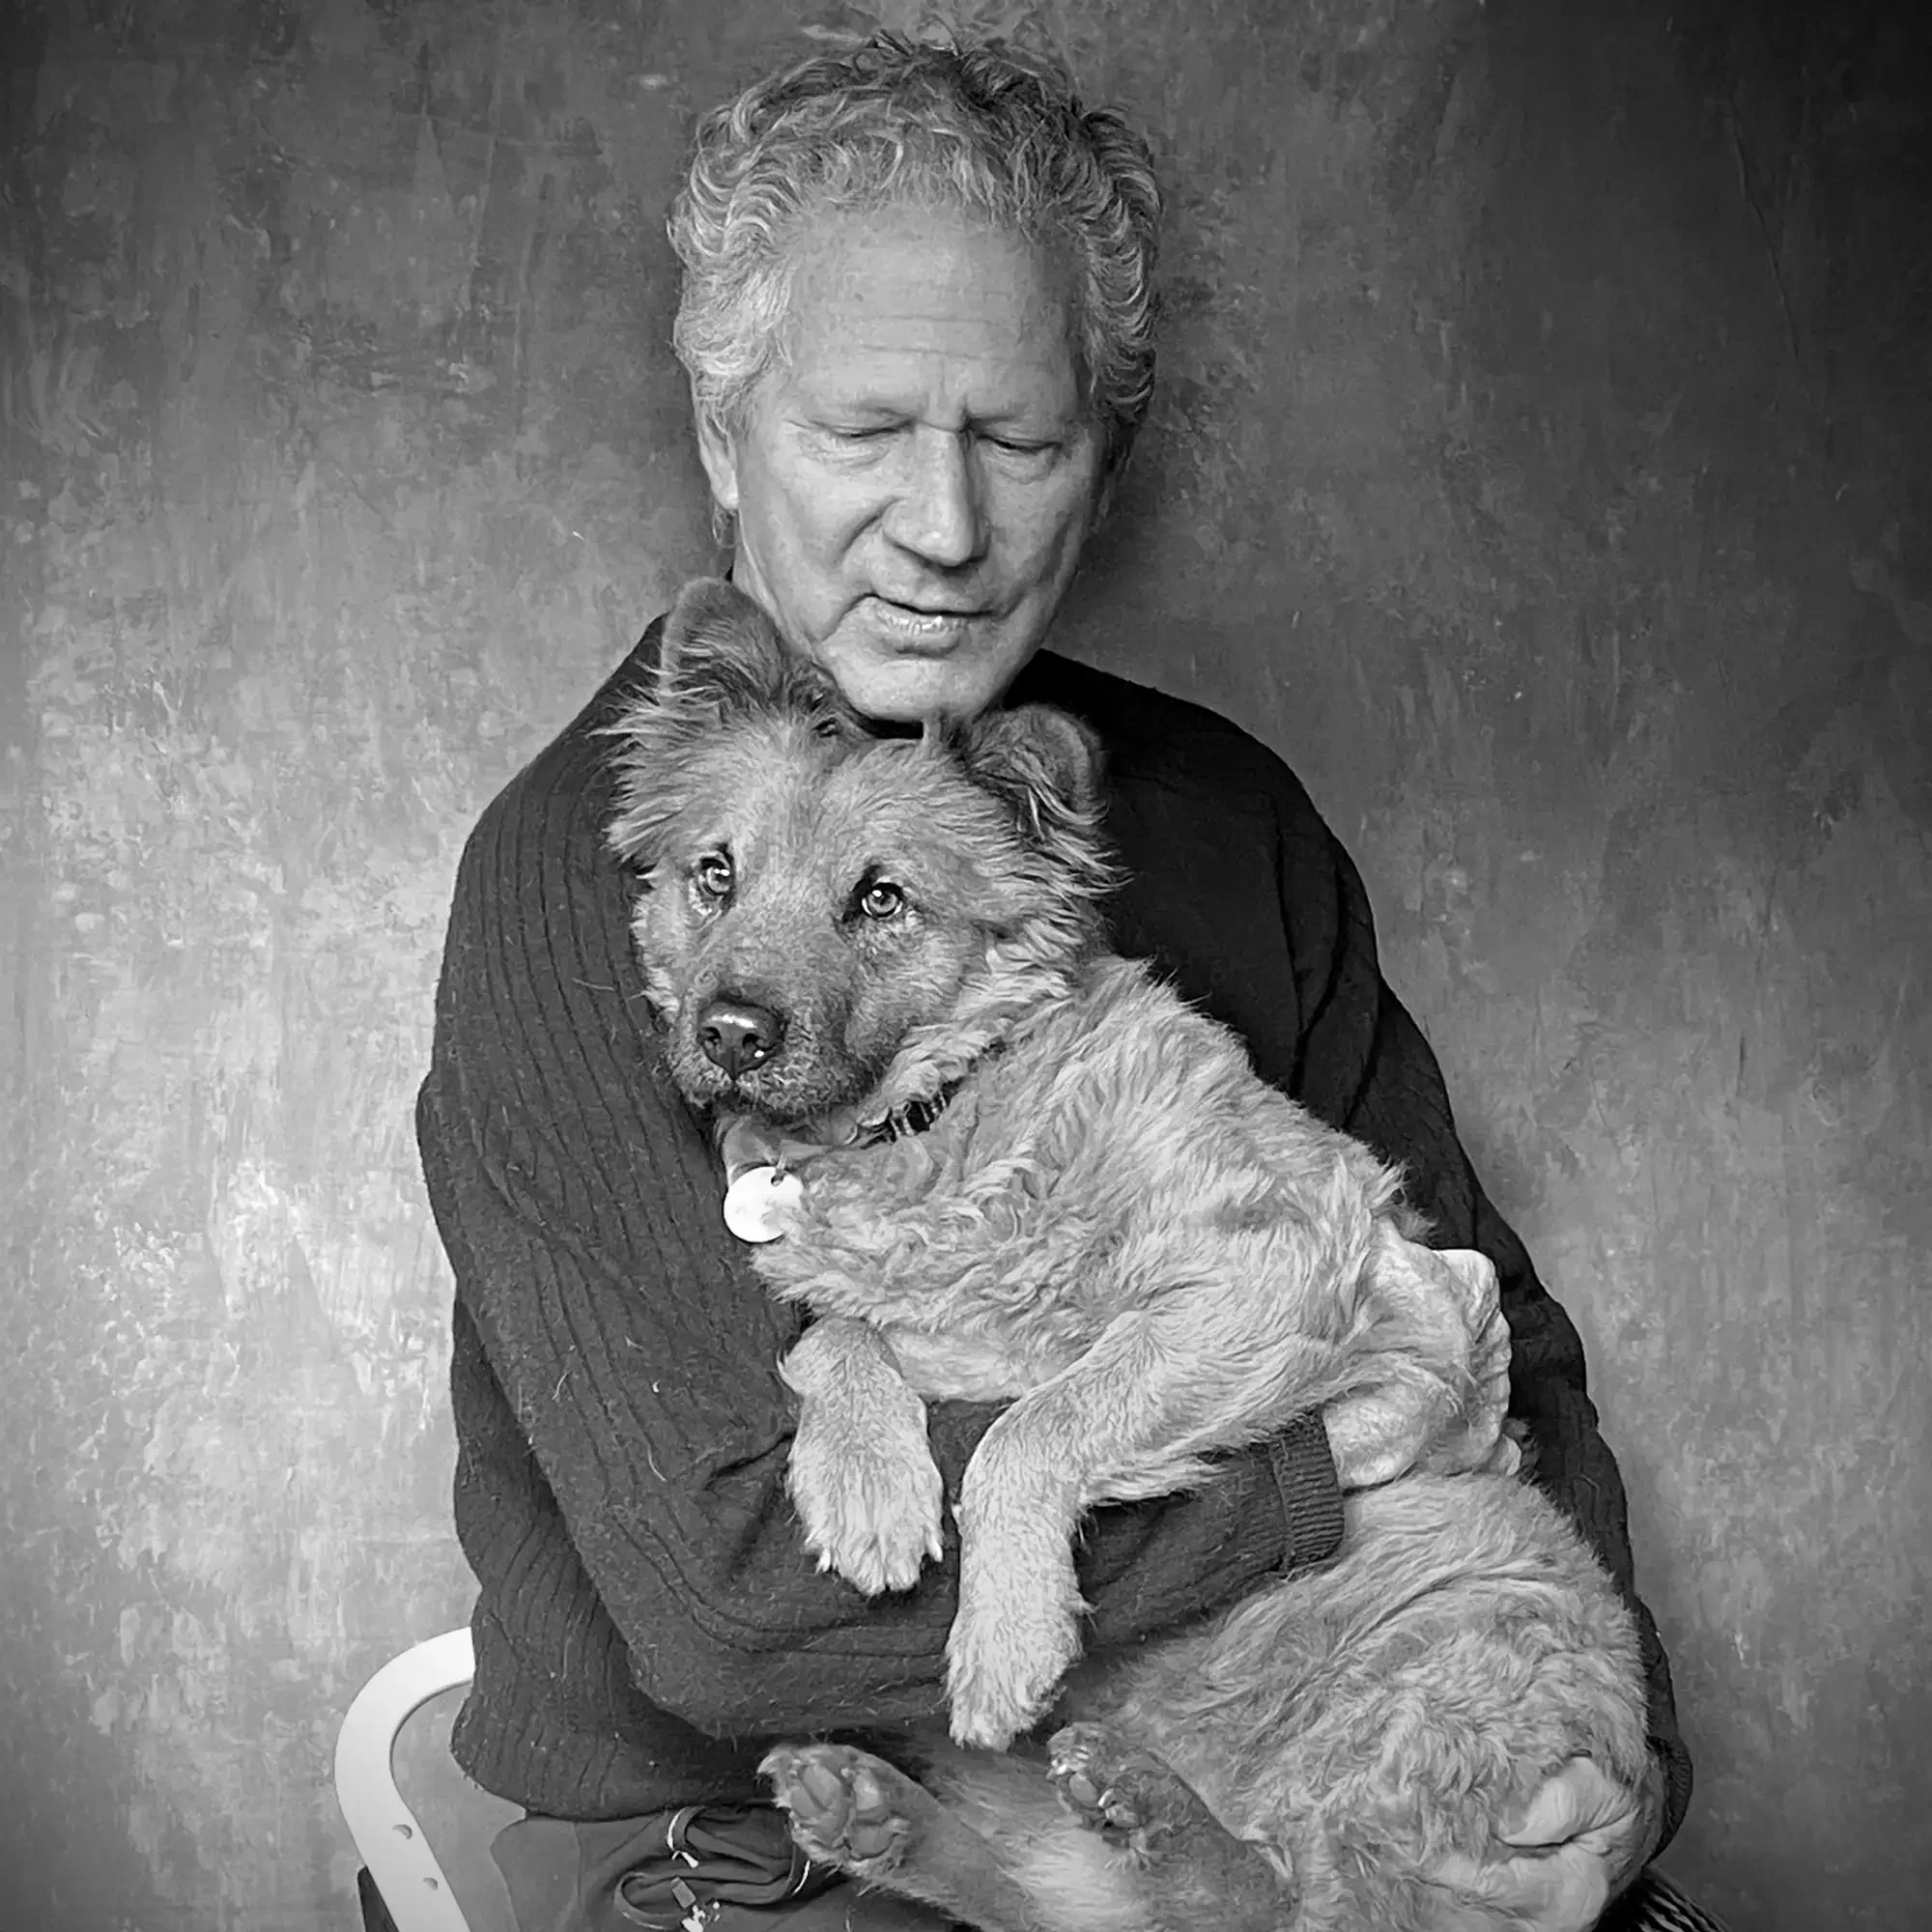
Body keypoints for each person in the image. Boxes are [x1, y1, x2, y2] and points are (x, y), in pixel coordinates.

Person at [412, 33, 1722, 1932]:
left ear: (1096, 462)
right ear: (724, 432)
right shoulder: (575, 882)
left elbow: (1490, 1329)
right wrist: (1298, 1480)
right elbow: (737, 1611)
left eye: (1015, 441)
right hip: (767, 1856)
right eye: (864, 429)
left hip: (1271, 1758)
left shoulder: (1217, 814)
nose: (945, 530)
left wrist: (1599, 1781)